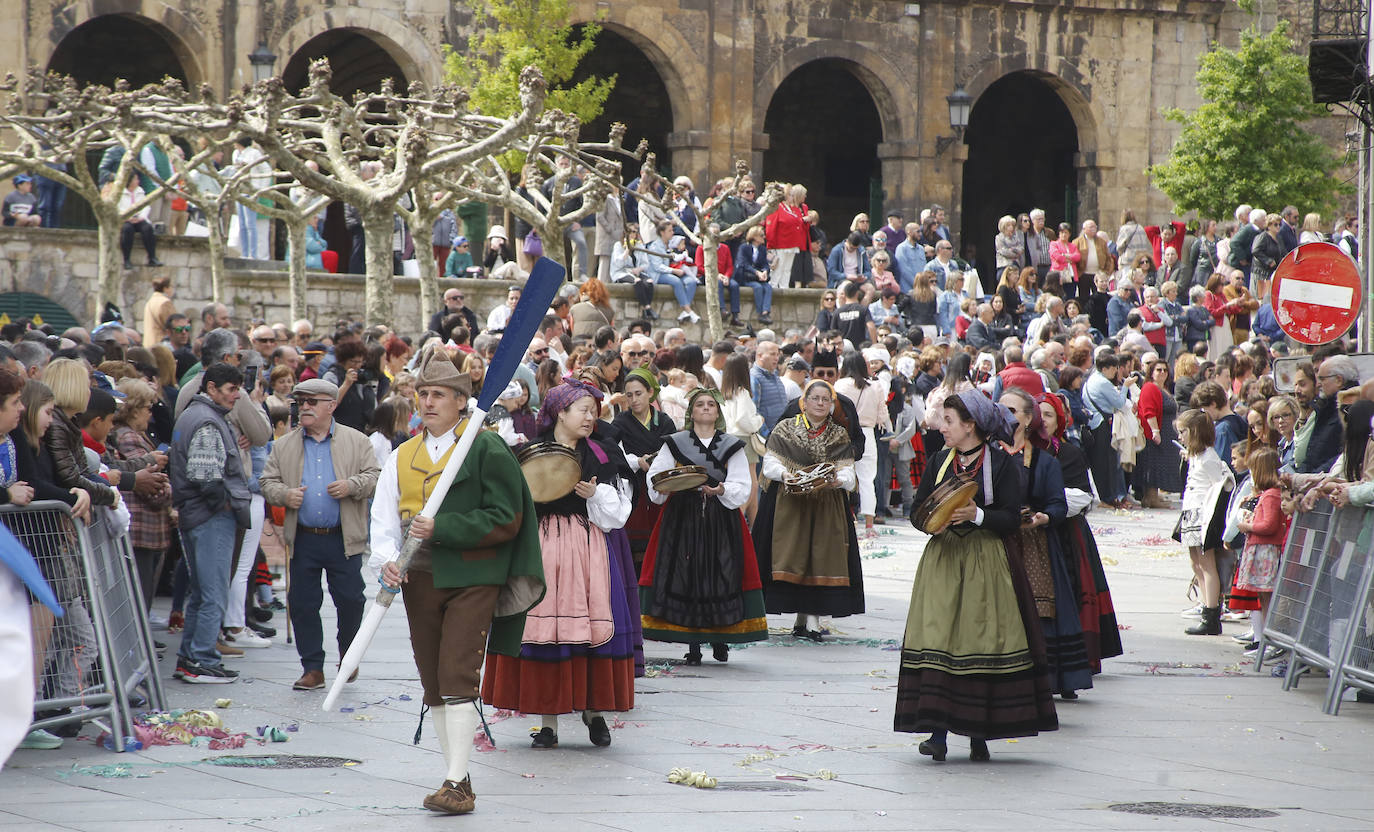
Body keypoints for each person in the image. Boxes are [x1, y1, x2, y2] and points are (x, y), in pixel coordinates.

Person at [371, 350, 544, 814]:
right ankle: (458, 778)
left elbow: (506, 517)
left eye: (439, 395)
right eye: (423, 393)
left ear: (461, 401)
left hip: (473, 575)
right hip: (420, 579)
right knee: (433, 681)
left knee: (458, 674)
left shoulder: (485, 447)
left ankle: (453, 780)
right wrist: (387, 561)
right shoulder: (402, 455)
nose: (428, 402)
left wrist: (444, 527)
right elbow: (384, 519)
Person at [897, 389, 1058, 762]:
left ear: (971, 426)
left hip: (986, 562)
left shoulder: (1002, 465)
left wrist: (977, 516)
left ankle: (977, 734)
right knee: (938, 638)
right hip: (943, 561)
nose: (942, 427)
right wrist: (930, 523)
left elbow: (1012, 517)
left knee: (979, 641)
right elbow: (917, 510)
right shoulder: (940, 459)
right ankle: (937, 733)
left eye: (949, 421)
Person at [482, 381, 636, 750]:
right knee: (543, 634)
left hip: (586, 549)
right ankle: (547, 721)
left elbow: (618, 516)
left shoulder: (599, 454)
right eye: (582, 409)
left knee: (590, 628)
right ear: (560, 413)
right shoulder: (529, 453)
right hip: (542, 549)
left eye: (593, 409)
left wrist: (595, 494)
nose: (590, 416)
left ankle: (594, 712)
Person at [260, 377, 380, 692]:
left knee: (351, 600)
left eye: (313, 402)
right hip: (304, 537)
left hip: (344, 536)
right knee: (302, 602)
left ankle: (347, 658)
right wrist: (285, 495)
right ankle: (312, 668)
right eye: (301, 402)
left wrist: (351, 486)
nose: (305, 408)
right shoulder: (284, 443)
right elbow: (266, 481)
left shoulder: (356, 440)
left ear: (331, 405)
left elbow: (374, 476)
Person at [640, 387, 769, 664]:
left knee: (722, 573)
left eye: (712, 404)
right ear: (691, 412)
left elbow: (741, 484)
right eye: (701, 404)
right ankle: (693, 644)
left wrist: (722, 490)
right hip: (682, 517)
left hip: (720, 519)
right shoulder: (674, 442)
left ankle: (721, 639)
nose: (707, 408)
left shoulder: (731, 444)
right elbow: (657, 476)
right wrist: (666, 485)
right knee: (686, 575)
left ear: (718, 412)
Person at [999, 387, 1093, 700]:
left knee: (1039, 613)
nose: (1006, 415)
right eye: (1002, 409)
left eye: (1012, 411)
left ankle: (1042, 676)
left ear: (1028, 420)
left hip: (1034, 547)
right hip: (995, 544)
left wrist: (1043, 517)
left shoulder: (1044, 462)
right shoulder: (988, 456)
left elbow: (1057, 503)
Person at [755, 379, 863, 640]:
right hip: (789, 505)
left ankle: (812, 619)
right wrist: (784, 474)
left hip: (826, 506)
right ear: (804, 402)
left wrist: (839, 480)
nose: (820, 403)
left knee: (821, 559)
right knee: (793, 556)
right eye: (815, 398)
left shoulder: (838, 434)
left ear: (832, 405)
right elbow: (769, 462)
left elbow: (848, 470)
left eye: (826, 400)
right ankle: (804, 617)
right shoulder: (785, 428)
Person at [170, 362, 253, 683]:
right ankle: (201, 658)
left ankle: (189, 657)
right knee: (214, 592)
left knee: (203, 592)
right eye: (232, 389)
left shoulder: (193, 415)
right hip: (210, 517)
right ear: (212, 388)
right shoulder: (207, 420)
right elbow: (205, 477)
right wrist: (227, 505)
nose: (237, 396)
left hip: (197, 514)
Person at [1038, 393, 1123, 673]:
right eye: (1038, 415)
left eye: (1049, 415)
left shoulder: (1068, 453)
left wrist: (1047, 502)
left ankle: (1072, 661)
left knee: (1069, 595)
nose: (1042, 421)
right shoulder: (1020, 450)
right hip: (1030, 534)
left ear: (1060, 420)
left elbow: (1083, 497)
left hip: (1066, 535)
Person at [1176, 408, 1235, 636]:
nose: (1180, 436)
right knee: (1196, 564)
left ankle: (1211, 615)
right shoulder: (1198, 456)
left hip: (1202, 516)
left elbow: (1220, 487)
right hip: (1191, 512)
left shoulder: (1210, 458)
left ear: (1196, 432)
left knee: (1207, 564)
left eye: (1183, 432)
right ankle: (1206, 605)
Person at [612, 368, 677, 566]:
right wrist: (636, 461)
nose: (634, 400)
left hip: (661, 485)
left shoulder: (665, 422)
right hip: (633, 486)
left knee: (663, 542)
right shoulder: (620, 422)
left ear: (650, 392)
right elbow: (614, 453)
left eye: (638, 393)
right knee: (636, 547)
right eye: (629, 395)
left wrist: (658, 464)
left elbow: (674, 451)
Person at [834, 352, 888, 536]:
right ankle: (869, 525)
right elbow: (883, 415)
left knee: (841, 475)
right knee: (867, 480)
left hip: (844, 432)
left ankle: (844, 519)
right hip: (867, 432)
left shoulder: (840, 384)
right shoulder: (875, 386)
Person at [1135, 359, 1183, 507]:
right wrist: (1155, 431)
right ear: (1151, 372)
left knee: (1162, 464)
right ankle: (1151, 498)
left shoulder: (1165, 388)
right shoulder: (1150, 387)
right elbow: (1149, 412)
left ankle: (1154, 495)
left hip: (1168, 432)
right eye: (1158, 370)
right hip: (1156, 433)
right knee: (1154, 464)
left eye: (1165, 370)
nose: (1162, 372)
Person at [117, 175, 162, 269]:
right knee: (127, 229)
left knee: (147, 228)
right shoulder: (120, 192)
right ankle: (127, 260)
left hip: (139, 218)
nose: (138, 181)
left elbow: (146, 206)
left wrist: (141, 217)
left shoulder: (140, 191)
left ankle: (152, 257)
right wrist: (127, 217)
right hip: (126, 219)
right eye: (135, 179)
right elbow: (117, 208)